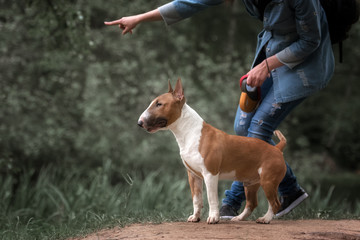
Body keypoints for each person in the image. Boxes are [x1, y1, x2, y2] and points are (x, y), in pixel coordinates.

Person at [105, 0, 334, 219]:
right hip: (271, 52)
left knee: (259, 126)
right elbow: (191, 2)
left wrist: (266, 65)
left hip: (305, 62)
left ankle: (231, 202)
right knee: (242, 126)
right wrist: (140, 18)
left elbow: (311, 40)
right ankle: (290, 189)